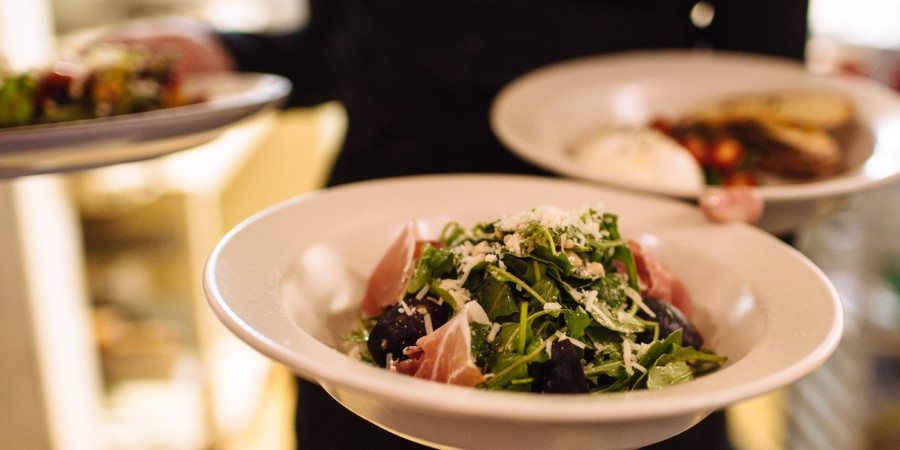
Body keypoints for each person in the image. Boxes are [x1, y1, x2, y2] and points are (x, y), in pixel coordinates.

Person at [100, 1, 810, 448]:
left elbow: (770, 107)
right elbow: (343, 37)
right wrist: (231, 54)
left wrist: (756, 215)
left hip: (626, 268)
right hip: (378, 265)